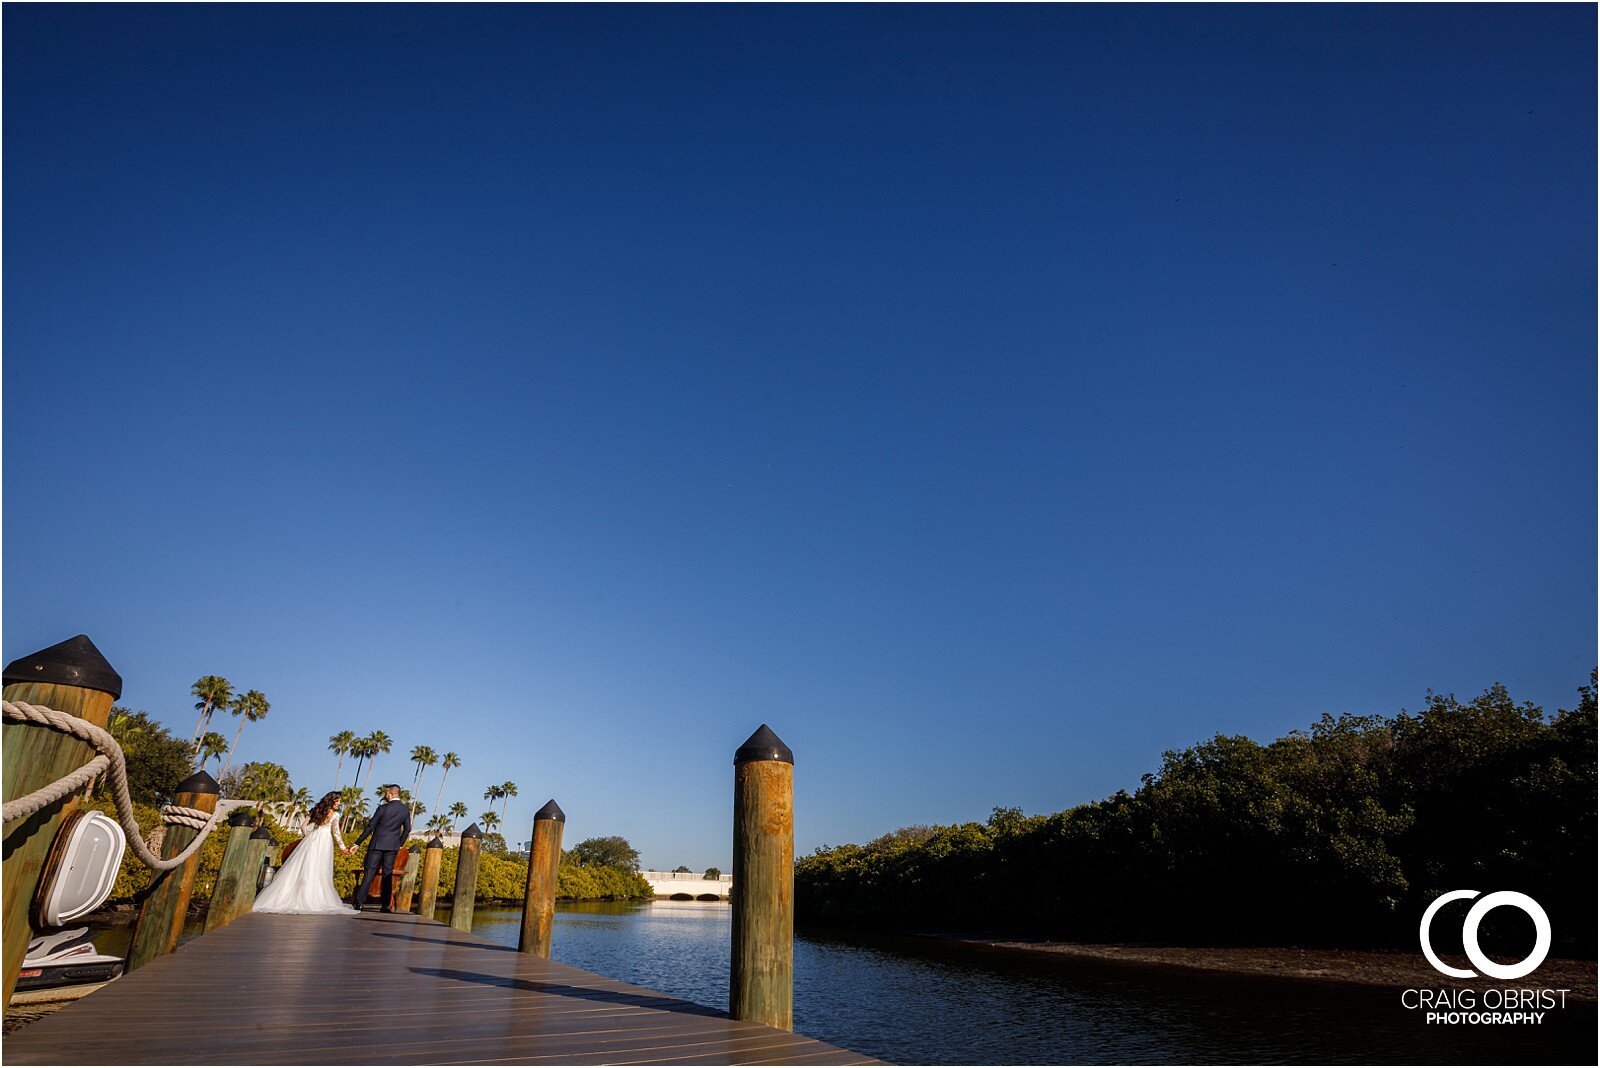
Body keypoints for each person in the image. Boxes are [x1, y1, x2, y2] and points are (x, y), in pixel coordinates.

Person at [252, 791, 352, 915]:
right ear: (331, 801)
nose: (339, 803)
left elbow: (303, 826)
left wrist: (307, 837)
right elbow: (336, 833)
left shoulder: (317, 810)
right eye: (337, 801)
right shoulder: (335, 815)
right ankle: (314, 898)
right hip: (325, 842)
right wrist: (343, 848)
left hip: (311, 840)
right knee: (319, 869)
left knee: (302, 867)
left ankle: (293, 896)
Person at [350, 784, 412, 913]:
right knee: (387, 874)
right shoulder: (405, 810)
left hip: (377, 844)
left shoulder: (382, 808)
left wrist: (357, 842)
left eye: (386, 793)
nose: (385, 795)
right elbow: (407, 829)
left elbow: (371, 826)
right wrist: (400, 843)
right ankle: (385, 905)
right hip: (392, 846)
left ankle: (359, 902)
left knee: (369, 873)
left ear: (391, 794)